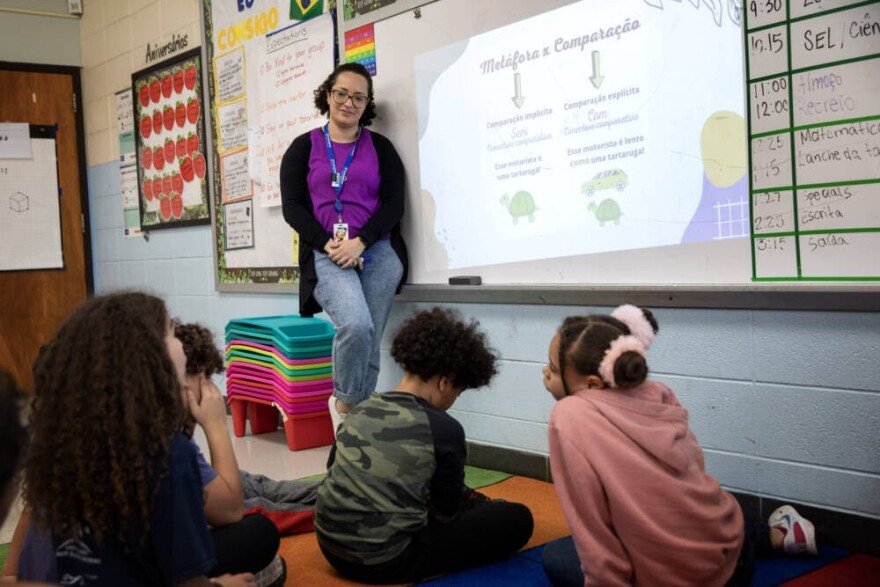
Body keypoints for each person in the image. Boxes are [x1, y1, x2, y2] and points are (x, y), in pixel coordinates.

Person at [539, 304, 818, 587]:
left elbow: (594, 532)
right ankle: (779, 536)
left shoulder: (568, 416)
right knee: (691, 504)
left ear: (593, 384)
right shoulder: (656, 392)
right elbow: (694, 470)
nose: (545, 372)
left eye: (553, 367)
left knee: (557, 555)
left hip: (675, 579)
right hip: (735, 560)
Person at [19, 292, 254, 586]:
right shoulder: (169, 453)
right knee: (257, 534)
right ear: (146, 359)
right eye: (170, 334)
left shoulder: (65, 443)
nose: (180, 343)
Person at [315, 307, 534, 584]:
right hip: (386, 561)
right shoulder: (444, 429)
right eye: (458, 391)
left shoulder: (360, 410)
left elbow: (334, 470)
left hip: (330, 548)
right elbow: (446, 513)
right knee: (518, 519)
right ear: (445, 382)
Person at [280, 62, 408, 430]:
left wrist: (361, 241)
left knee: (370, 335)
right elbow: (293, 208)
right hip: (327, 252)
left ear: (366, 105)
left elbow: (395, 203)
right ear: (328, 95)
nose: (348, 103)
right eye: (341, 94)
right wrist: (329, 244)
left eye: (358, 97)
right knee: (355, 325)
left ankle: (358, 426)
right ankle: (347, 407)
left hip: (377, 251)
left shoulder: (380, 148)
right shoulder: (303, 148)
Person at [172, 321, 285, 585]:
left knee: (254, 484)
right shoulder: (171, 444)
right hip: (166, 564)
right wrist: (216, 425)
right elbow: (230, 511)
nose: (211, 389)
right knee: (260, 529)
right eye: (206, 378)